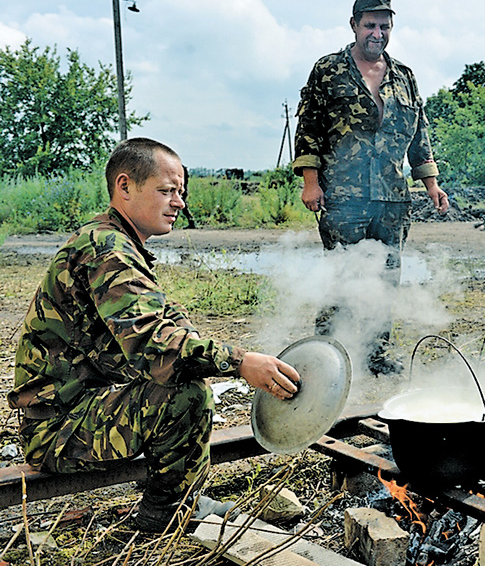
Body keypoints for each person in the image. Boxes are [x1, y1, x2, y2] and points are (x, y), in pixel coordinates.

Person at [9, 137, 301, 533]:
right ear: (124, 186)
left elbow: (168, 324)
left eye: (180, 192)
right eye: (166, 191)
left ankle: (186, 497)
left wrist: (225, 355)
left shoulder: (121, 244)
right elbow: (151, 344)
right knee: (187, 397)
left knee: (180, 378)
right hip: (59, 429)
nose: (179, 202)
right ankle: (162, 520)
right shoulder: (106, 248)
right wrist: (240, 362)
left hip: (85, 406)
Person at [291, 0, 449, 375]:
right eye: (369, 25)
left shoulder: (405, 77)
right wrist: (311, 182)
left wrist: (430, 184)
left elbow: (419, 134)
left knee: (386, 278)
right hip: (344, 197)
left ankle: (376, 355)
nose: (377, 33)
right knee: (341, 278)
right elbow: (309, 126)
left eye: (384, 26)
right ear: (354, 25)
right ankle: (326, 356)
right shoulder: (329, 69)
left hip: (393, 198)